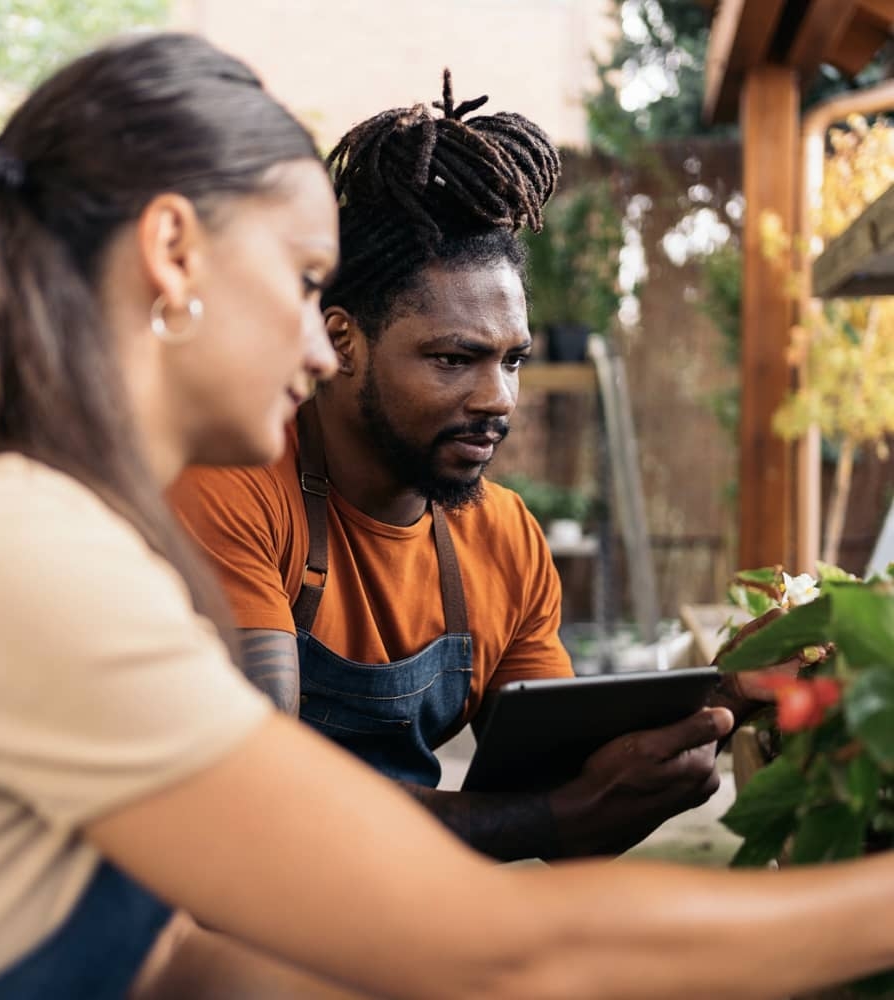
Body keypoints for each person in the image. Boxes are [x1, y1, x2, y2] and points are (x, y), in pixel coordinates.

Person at [0, 31, 894, 1000]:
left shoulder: (35, 524)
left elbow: (170, 962)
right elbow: (496, 950)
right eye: (299, 285)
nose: (320, 347)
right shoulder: (13, 553)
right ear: (170, 252)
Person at [170, 75, 775, 862]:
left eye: (513, 360)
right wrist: (544, 820)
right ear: (342, 341)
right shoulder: (234, 488)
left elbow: (575, 796)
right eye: (453, 359)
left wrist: (723, 697)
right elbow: (258, 803)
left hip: (408, 912)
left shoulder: (504, 537)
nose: (497, 399)